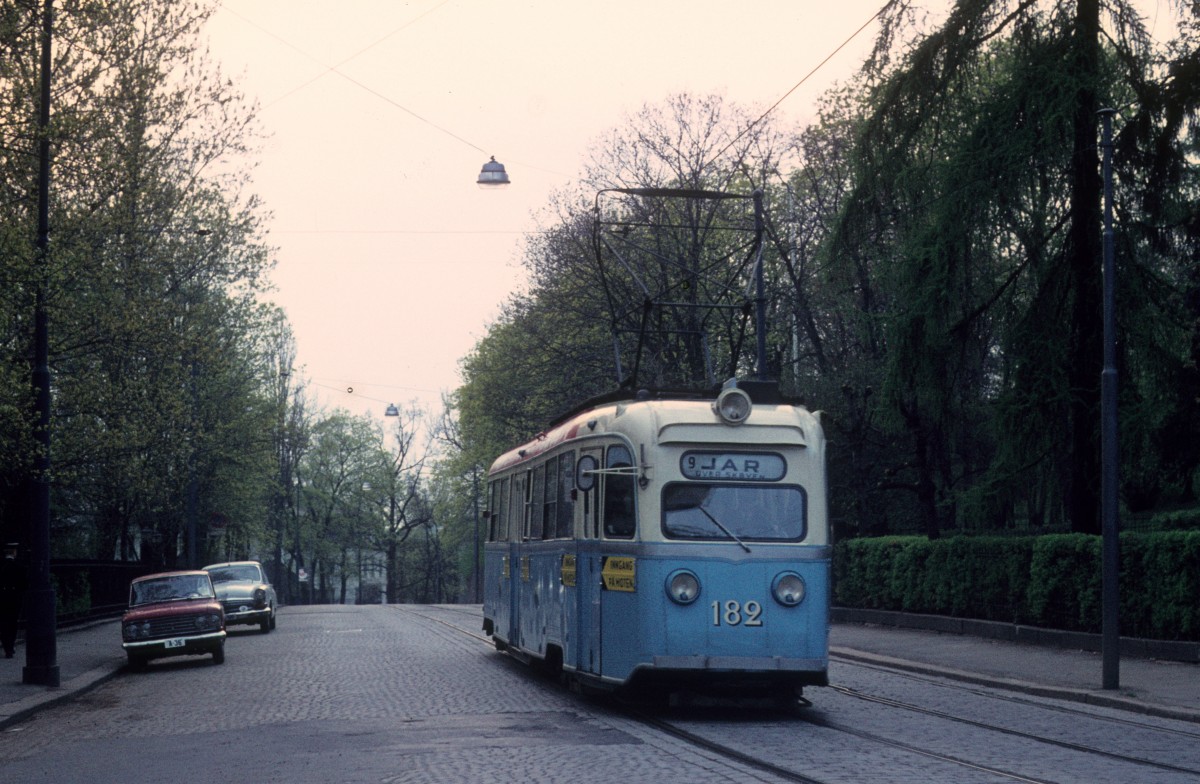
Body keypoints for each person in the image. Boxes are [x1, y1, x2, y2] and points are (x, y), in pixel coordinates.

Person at [0, 542, 26, 658]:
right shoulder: (19, 567)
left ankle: (6, 646)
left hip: (2, 597)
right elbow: (23, 584)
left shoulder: (2, 566)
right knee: (13, 622)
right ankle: (10, 647)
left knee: (3, 622)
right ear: (14, 552)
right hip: (14, 598)